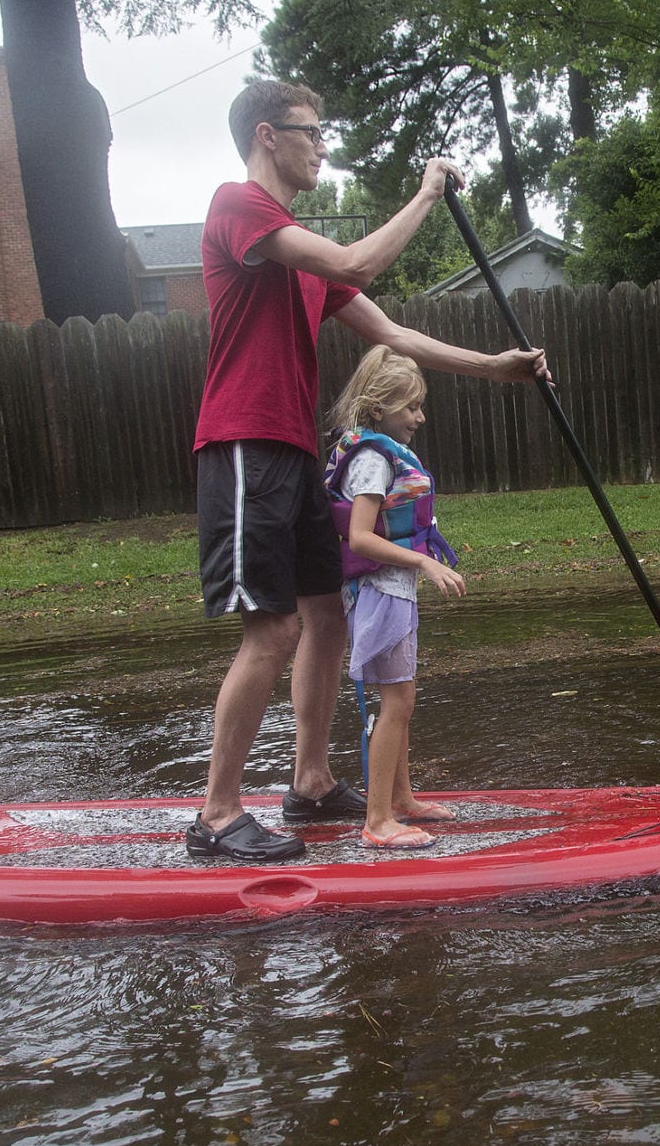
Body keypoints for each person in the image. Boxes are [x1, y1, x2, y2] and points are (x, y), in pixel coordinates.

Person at [188, 78, 547, 862]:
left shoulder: (305, 261)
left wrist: (497, 366)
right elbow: (359, 255)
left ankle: (310, 782)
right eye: (309, 132)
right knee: (273, 627)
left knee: (327, 617)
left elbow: (396, 334)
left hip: (292, 452)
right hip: (243, 446)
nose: (321, 146)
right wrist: (424, 193)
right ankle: (216, 814)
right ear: (265, 136)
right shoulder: (239, 207)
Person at [323, 347, 463, 849]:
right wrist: (424, 561)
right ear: (379, 407)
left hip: (392, 590)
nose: (419, 417)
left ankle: (401, 800)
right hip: (380, 590)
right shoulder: (370, 462)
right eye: (410, 407)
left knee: (400, 697)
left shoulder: (380, 454)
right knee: (397, 700)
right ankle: (377, 820)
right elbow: (360, 537)